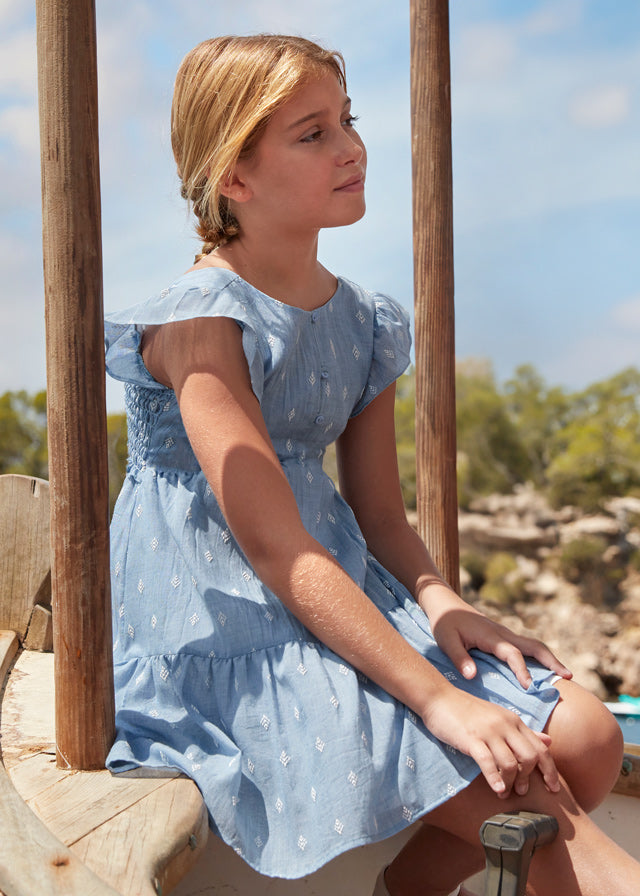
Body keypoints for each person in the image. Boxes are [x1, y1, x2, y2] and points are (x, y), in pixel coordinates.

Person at [104, 34, 638, 895]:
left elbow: (381, 516)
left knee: (590, 740)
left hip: (345, 593)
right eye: (312, 134)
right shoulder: (203, 322)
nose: (352, 148)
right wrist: (438, 698)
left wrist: (444, 602)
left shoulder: (364, 323)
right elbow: (278, 549)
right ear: (233, 176)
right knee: (528, 792)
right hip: (230, 623)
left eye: (347, 121)